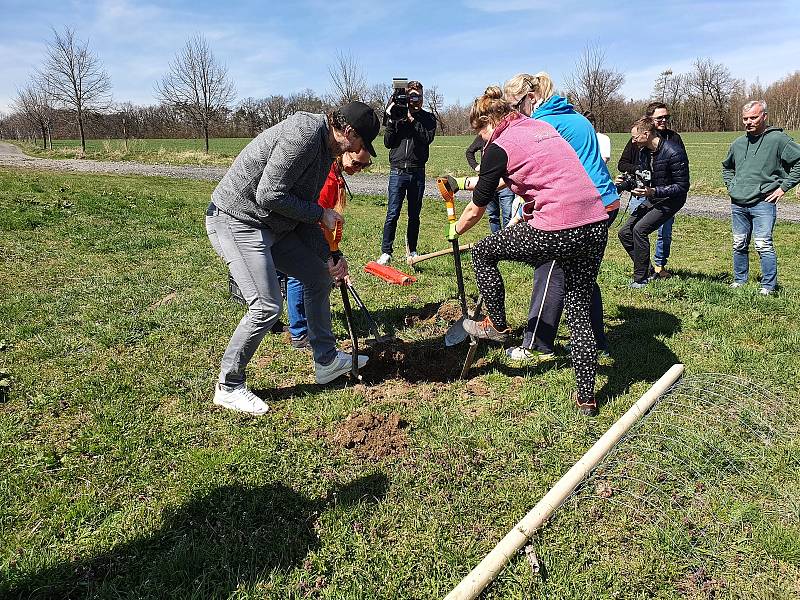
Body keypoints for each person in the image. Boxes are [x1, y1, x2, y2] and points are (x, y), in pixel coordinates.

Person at [206, 101, 380, 415]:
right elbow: (268, 194)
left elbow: (299, 212)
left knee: (317, 276)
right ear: (349, 132)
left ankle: (326, 360)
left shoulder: (325, 149)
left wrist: (330, 255)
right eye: (362, 143)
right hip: (237, 219)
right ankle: (229, 386)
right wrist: (320, 213)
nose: (360, 150)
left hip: (269, 223)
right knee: (267, 305)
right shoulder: (304, 134)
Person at [447, 86, 609, 417]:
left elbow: (476, 209)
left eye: (480, 133)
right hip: (595, 221)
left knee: (483, 251)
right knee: (577, 310)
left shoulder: (498, 146)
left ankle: (497, 325)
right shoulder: (540, 128)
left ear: (488, 121)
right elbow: (513, 177)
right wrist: (463, 182)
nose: (482, 142)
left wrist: (456, 230)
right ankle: (587, 398)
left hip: (557, 225)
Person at [502, 73, 619, 361]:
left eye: (516, 106)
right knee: (581, 273)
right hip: (606, 202)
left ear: (531, 98)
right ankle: (597, 342)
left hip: (580, 207)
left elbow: (536, 170)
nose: (514, 114)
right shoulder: (575, 117)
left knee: (549, 268)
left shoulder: (543, 124)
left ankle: (536, 346)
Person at [286, 148, 373, 349]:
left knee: (309, 277)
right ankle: (299, 332)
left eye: (364, 166)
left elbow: (330, 224)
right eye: (356, 162)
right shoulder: (328, 179)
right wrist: (327, 254)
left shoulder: (336, 175)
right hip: (303, 231)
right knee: (299, 277)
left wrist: (334, 253)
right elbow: (316, 220)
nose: (358, 169)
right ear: (343, 153)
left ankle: (302, 326)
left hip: (314, 232)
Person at [722, 100, 800, 295]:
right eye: (745, 118)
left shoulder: (778, 140)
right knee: (739, 243)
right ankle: (740, 279)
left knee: (763, 244)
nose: (749, 122)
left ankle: (768, 286)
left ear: (764, 116)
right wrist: (731, 186)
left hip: (763, 203)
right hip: (738, 202)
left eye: (753, 117)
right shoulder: (738, 143)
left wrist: (783, 188)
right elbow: (727, 167)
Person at [617, 116, 689, 288]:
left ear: (646, 134)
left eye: (635, 137)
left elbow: (682, 186)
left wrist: (653, 191)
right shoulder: (644, 152)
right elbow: (644, 177)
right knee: (625, 232)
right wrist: (627, 184)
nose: (633, 141)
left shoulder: (674, 152)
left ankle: (640, 279)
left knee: (640, 230)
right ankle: (648, 270)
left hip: (671, 200)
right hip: (654, 196)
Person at [377, 80, 437, 265]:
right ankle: (386, 251)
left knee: (414, 215)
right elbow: (388, 143)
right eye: (412, 96)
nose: (415, 100)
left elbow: (427, 138)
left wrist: (412, 120)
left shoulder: (428, 118)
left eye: (418, 96)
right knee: (392, 213)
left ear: (422, 97)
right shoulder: (397, 115)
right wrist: (395, 119)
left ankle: (412, 250)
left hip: (417, 172)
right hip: (397, 171)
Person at [465, 134, 515, 233]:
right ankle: (496, 241)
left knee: (508, 215)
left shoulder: (506, 135)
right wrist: (476, 166)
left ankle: (507, 242)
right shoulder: (483, 136)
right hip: (488, 182)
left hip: (505, 182)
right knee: (492, 215)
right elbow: (469, 152)